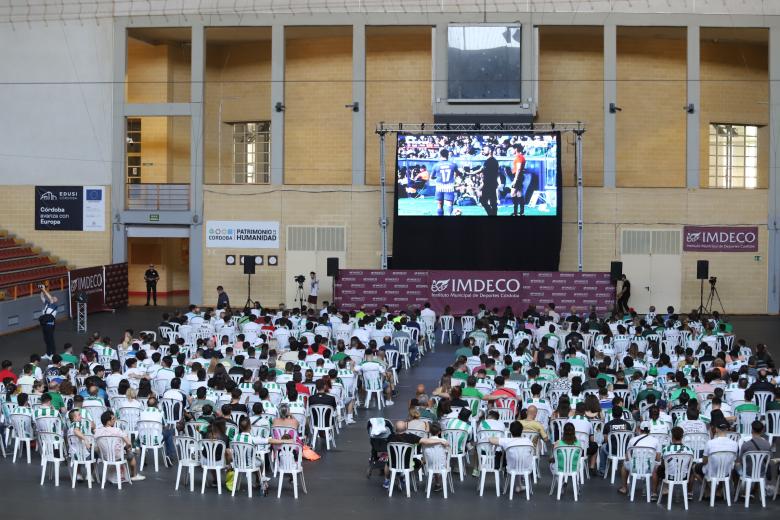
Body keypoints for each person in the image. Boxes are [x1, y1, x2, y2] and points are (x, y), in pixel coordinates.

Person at [94, 410, 145, 481]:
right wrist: (127, 448)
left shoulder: (97, 431)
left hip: (105, 457)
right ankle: (134, 475)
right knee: (131, 455)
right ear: (108, 421)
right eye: (113, 419)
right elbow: (129, 443)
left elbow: (96, 445)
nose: (115, 420)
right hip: (118, 456)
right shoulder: (117, 430)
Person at [430, 148, 459, 216]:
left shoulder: (436, 165)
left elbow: (431, 177)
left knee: (440, 203)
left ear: (440, 155)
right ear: (448, 155)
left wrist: (437, 177)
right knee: (449, 203)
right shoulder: (453, 164)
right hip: (449, 185)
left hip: (439, 185)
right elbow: (458, 173)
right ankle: (449, 214)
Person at [474, 144, 500, 216]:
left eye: (485, 149)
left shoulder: (491, 161)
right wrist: (470, 173)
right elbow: (481, 170)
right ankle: (493, 214)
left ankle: (491, 214)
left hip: (489, 184)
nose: (483, 151)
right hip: (490, 184)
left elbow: (481, 170)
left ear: (490, 151)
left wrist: (470, 173)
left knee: (484, 201)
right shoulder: (490, 161)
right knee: (492, 202)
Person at [39, 285, 58, 360]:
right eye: (53, 297)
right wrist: (41, 290)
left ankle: (52, 354)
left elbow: (49, 297)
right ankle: (48, 353)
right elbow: (42, 297)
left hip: (50, 324)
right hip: (44, 324)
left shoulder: (54, 305)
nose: (53, 298)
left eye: (55, 298)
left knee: (50, 339)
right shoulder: (47, 303)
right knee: (46, 339)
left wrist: (44, 289)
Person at [510, 143, 527, 216]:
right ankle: (521, 212)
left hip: (518, 176)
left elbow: (519, 169)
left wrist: (515, 180)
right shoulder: (520, 157)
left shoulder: (519, 157)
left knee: (513, 193)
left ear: (516, 149)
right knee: (519, 194)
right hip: (519, 176)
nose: (511, 151)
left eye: (512, 149)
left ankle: (516, 212)